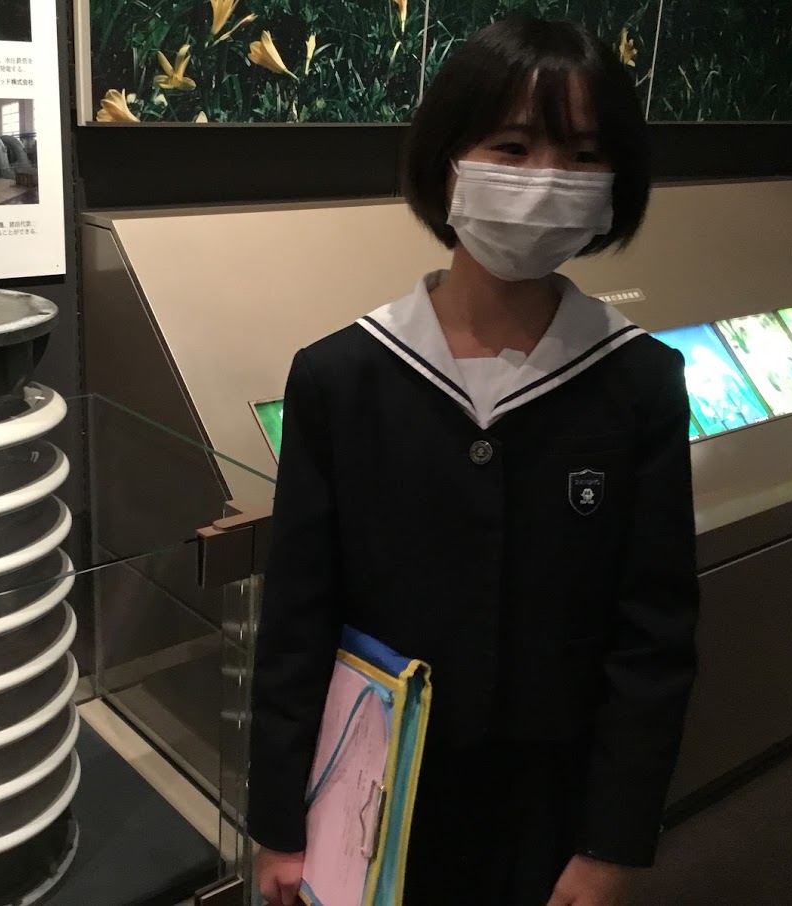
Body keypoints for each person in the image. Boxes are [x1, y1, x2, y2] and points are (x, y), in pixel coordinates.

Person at [248, 15, 700, 906]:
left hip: (550, 810)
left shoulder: (639, 381)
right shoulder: (342, 377)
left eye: (582, 155)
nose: (547, 179)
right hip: (372, 799)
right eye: (514, 146)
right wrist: (279, 822)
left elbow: (654, 637)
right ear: (447, 159)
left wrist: (613, 843)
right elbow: (297, 617)